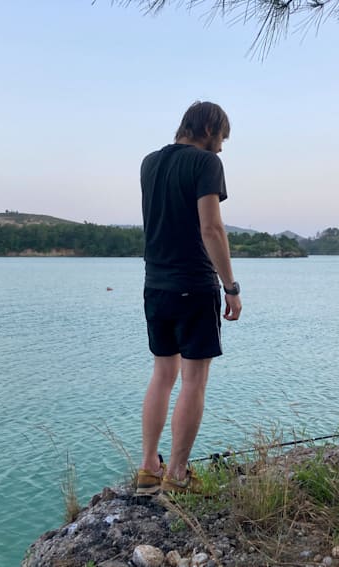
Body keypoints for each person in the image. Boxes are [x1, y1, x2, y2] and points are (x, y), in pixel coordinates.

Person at [135, 101, 242, 495]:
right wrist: (230, 286)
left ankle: (148, 467)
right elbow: (211, 227)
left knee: (163, 374)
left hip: (155, 285)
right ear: (209, 128)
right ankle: (177, 474)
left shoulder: (149, 163)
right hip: (193, 285)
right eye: (222, 139)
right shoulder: (205, 164)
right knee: (194, 380)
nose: (221, 149)